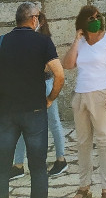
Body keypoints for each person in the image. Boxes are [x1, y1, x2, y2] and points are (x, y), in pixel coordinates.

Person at [0, 1, 64, 198]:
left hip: (6, 113)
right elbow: (59, 75)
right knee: (38, 171)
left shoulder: (2, 41)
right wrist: (50, 99)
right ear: (34, 19)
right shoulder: (42, 41)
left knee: (2, 172)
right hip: (35, 112)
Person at [63, 5, 106, 198]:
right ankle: (84, 187)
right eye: (91, 18)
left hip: (102, 94)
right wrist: (77, 39)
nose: (95, 19)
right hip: (81, 95)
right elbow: (68, 64)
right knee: (83, 143)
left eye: (98, 16)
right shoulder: (82, 42)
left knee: (104, 141)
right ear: (83, 22)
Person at [10, 11, 67, 181]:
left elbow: (52, 68)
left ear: (39, 23)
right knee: (21, 125)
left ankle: (61, 159)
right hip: (27, 87)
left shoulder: (44, 41)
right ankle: (18, 165)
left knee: (54, 122)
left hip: (45, 85)